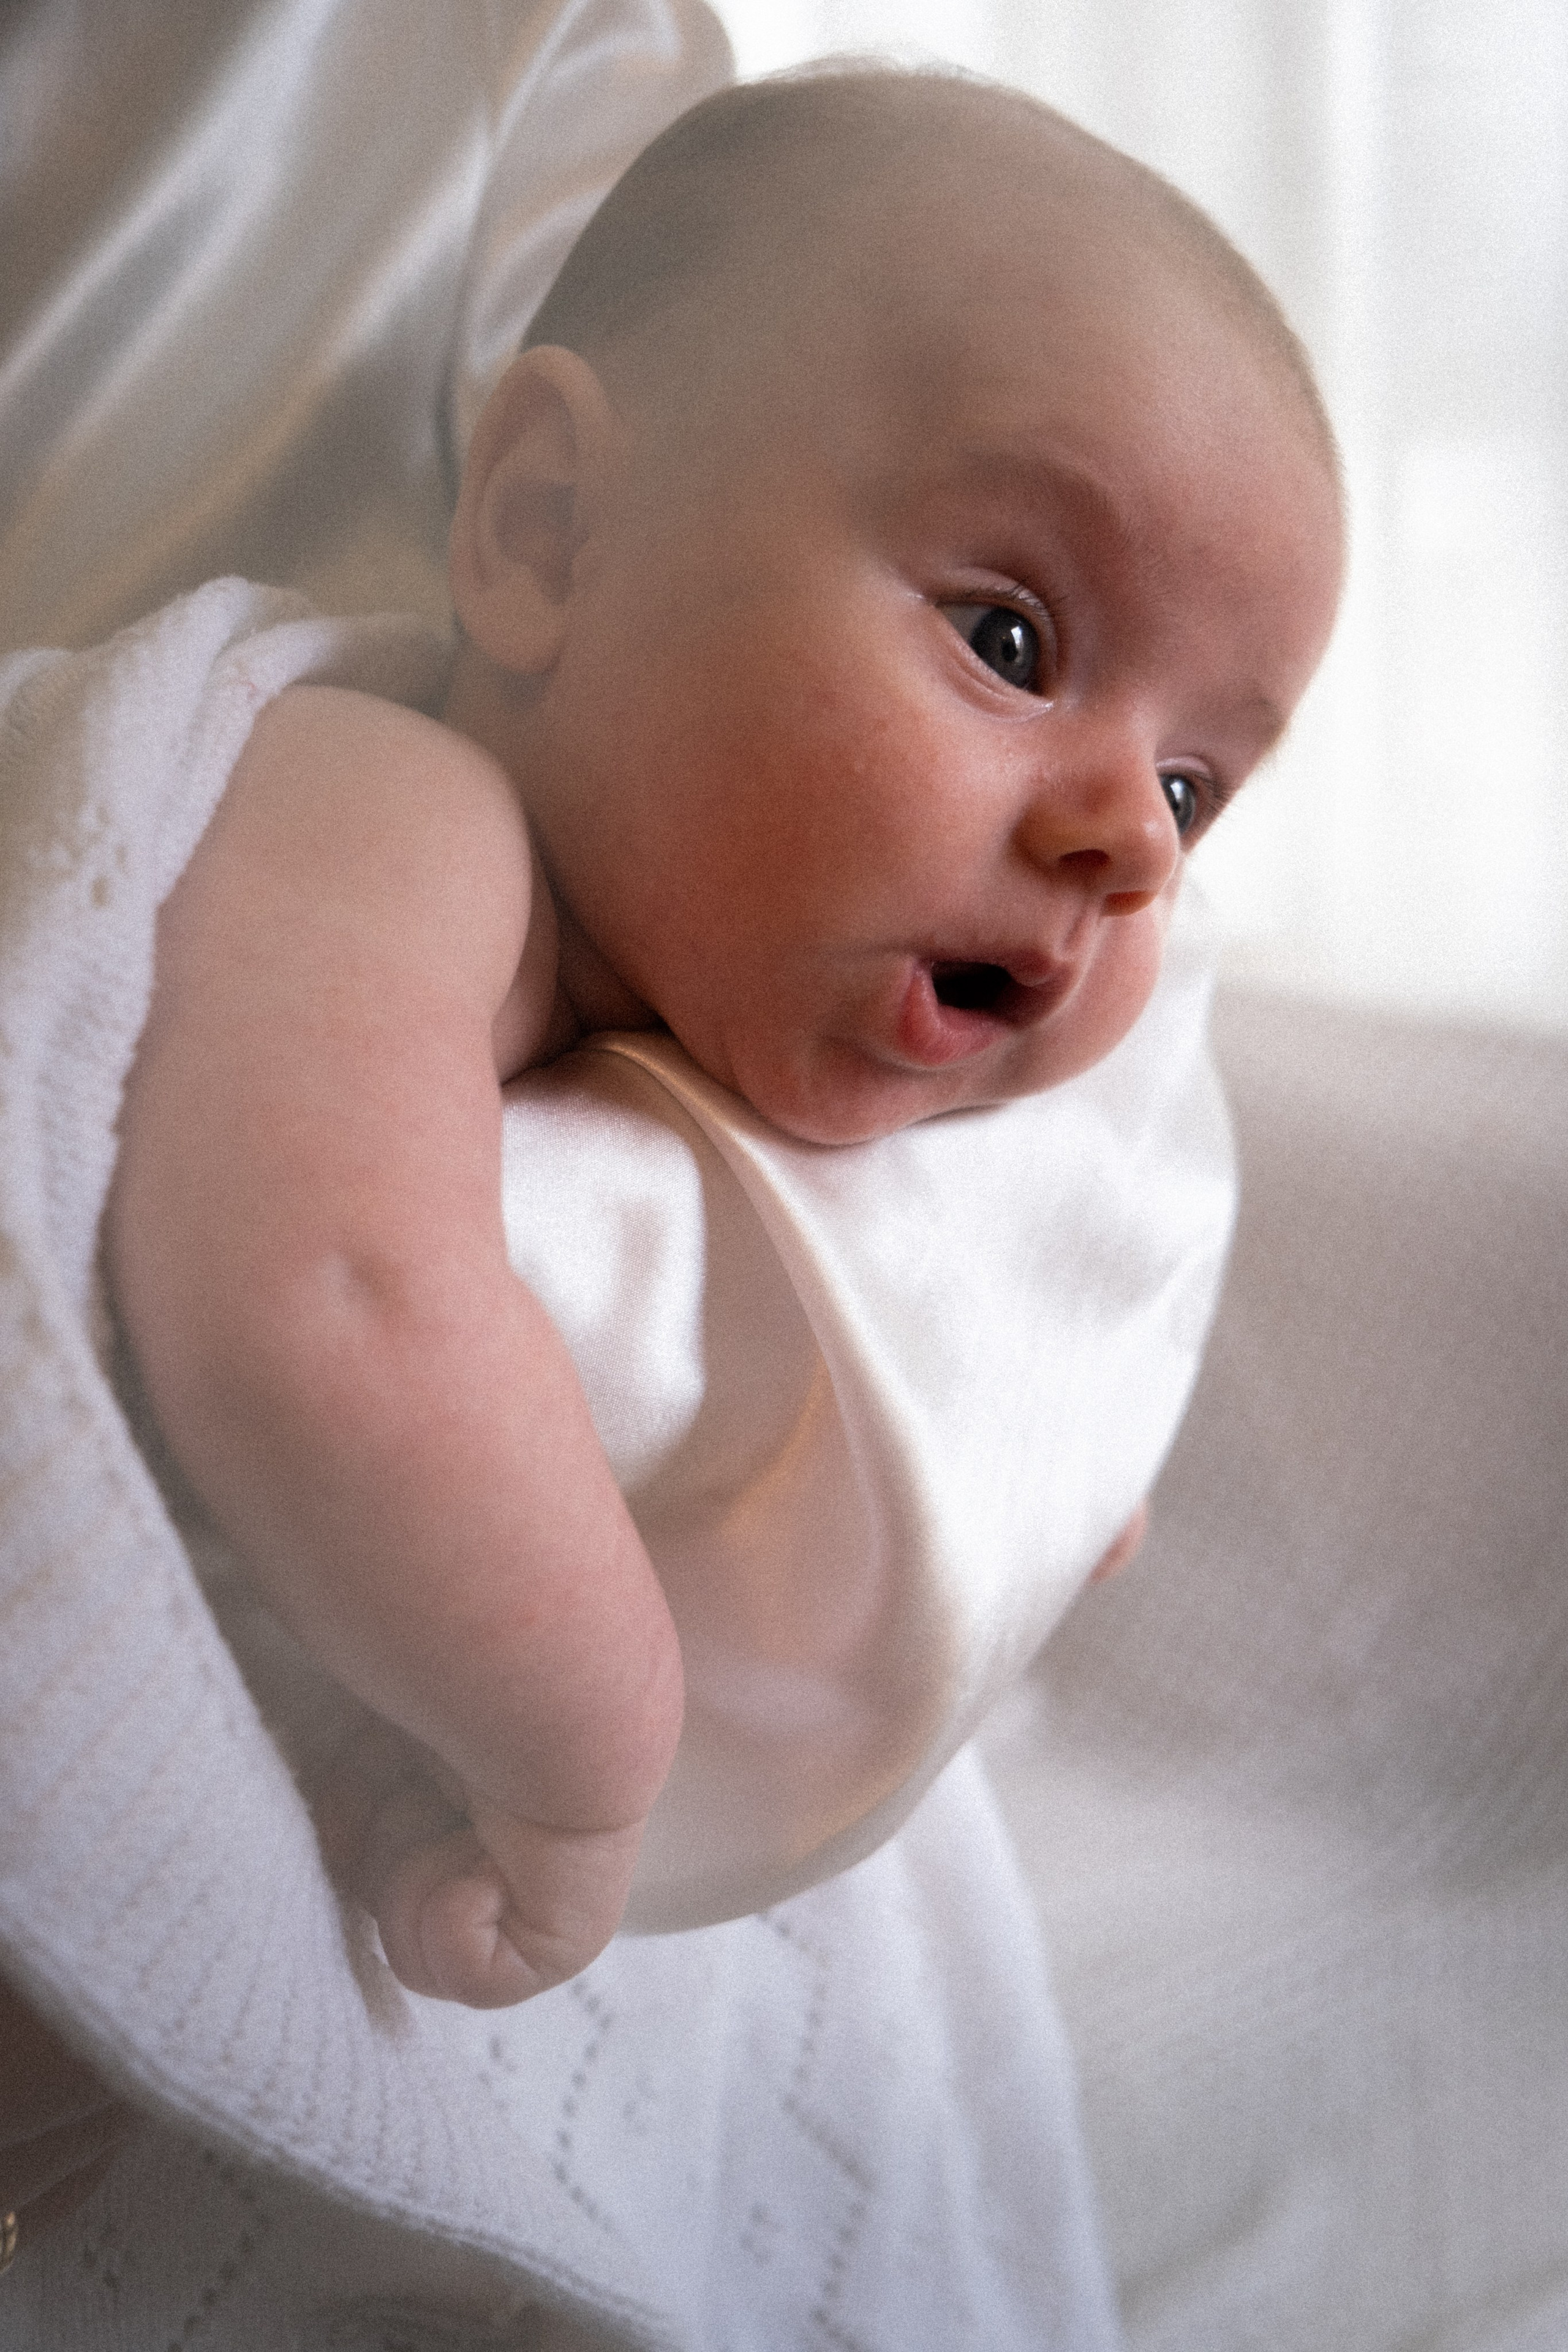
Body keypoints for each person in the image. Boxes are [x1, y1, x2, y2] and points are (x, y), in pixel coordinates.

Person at [103, 68, 1344, 2017]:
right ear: (550, 533)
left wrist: (1026, 1450)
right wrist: (583, 1763)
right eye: (1012, 643)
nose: (1130, 843)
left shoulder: (790, 984)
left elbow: (969, 1283)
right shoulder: (377, 810)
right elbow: (324, 1301)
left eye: (1196, 787)